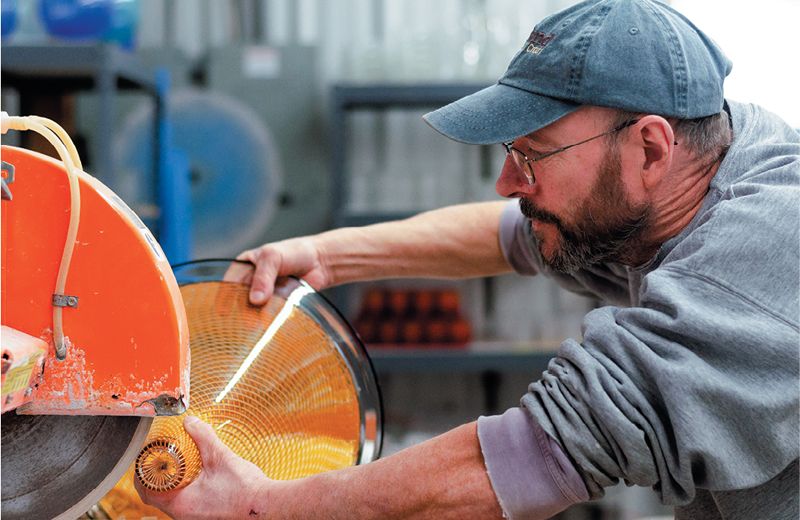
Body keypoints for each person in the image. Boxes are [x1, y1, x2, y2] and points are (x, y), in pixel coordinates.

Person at [137, 0, 800, 518]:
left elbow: (529, 461)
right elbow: (507, 232)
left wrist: (259, 507)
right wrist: (328, 255)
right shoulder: (711, 148)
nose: (506, 184)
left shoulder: (754, 260)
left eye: (532, 155)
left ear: (651, 150)